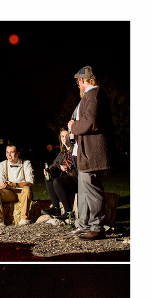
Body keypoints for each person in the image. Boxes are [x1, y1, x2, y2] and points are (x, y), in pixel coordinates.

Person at [69, 65, 113, 240]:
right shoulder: (91, 95)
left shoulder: (93, 94)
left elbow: (90, 121)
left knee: (93, 191)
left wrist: (74, 126)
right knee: (85, 191)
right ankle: (86, 225)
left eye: (78, 82)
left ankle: (97, 227)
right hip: (87, 153)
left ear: (81, 80)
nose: (78, 85)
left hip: (92, 153)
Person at [0, 143, 35, 226]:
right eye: (7, 152)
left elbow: (30, 182)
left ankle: (24, 219)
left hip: (23, 193)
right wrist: (2, 185)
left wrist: (14, 184)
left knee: (27, 189)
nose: (9, 155)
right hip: (10, 193)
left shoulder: (26, 163)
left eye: (12, 152)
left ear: (18, 153)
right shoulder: (3, 164)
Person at [43, 129, 78, 225]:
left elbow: (79, 167)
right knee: (49, 177)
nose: (64, 138)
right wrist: (48, 170)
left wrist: (69, 169)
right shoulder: (63, 152)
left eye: (66, 136)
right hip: (67, 179)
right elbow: (54, 165)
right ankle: (56, 208)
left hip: (76, 179)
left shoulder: (75, 150)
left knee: (58, 181)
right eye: (62, 136)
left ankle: (68, 212)